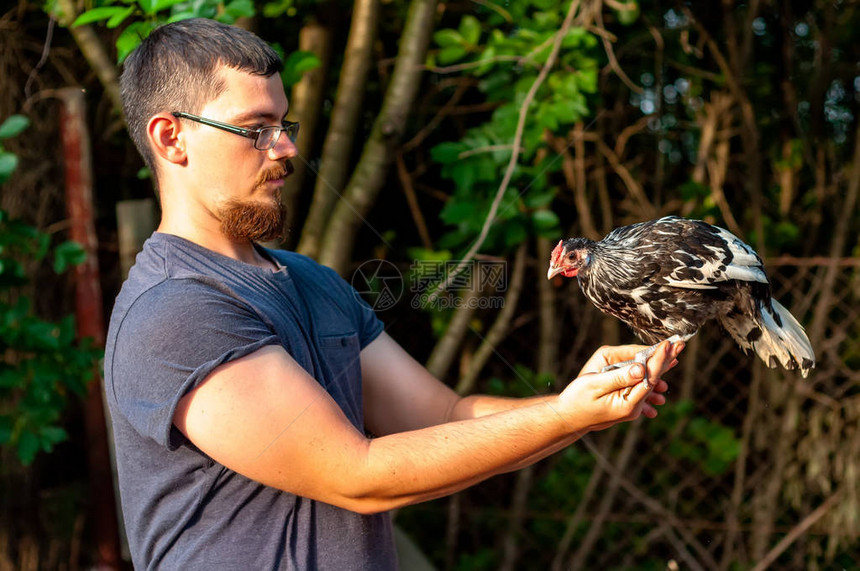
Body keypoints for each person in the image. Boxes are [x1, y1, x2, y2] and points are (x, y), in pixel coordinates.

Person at [104, 18, 683, 570]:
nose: (284, 149)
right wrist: (563, 416)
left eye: (284, 126)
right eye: (256, 130)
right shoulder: (175, 310)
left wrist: (588, 403)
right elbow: (357, 475)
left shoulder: (311, 280)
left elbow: (444, 416)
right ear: (171, 137)